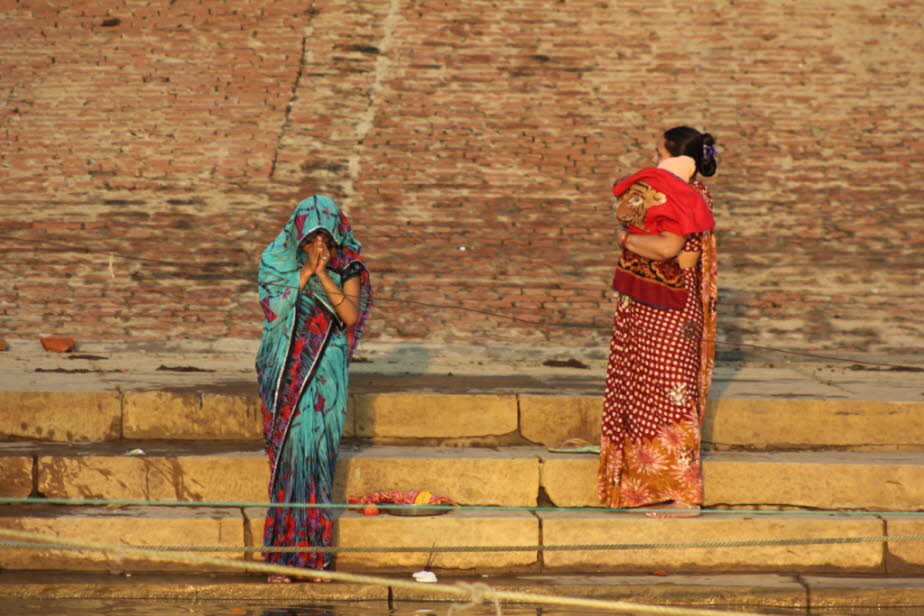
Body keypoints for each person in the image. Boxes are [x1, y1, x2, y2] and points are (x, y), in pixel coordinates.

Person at [598, 126, 718, 518]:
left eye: (656, 150)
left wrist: (626, 242)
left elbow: (667, 246)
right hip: (679, 307)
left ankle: (682, 494)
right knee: (660, 393)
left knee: (665, 395)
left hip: (660, 306)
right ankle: (653, 489)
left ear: (669, 152)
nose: (653, 158)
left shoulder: (666, 192)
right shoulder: (698, 194)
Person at [256, 195, 371, 581]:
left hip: (325, 379)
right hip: (287, 377)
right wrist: (303, 272)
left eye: (325, 238)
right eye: (312, 238)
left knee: (317, 463)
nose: (319, 246)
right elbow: (274, 311)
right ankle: (282, 559)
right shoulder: (277, 262)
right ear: (299, 236)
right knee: (289, 466)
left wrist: (323, 274)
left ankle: (316, 558)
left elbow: (350, 316)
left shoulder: (348, 266)